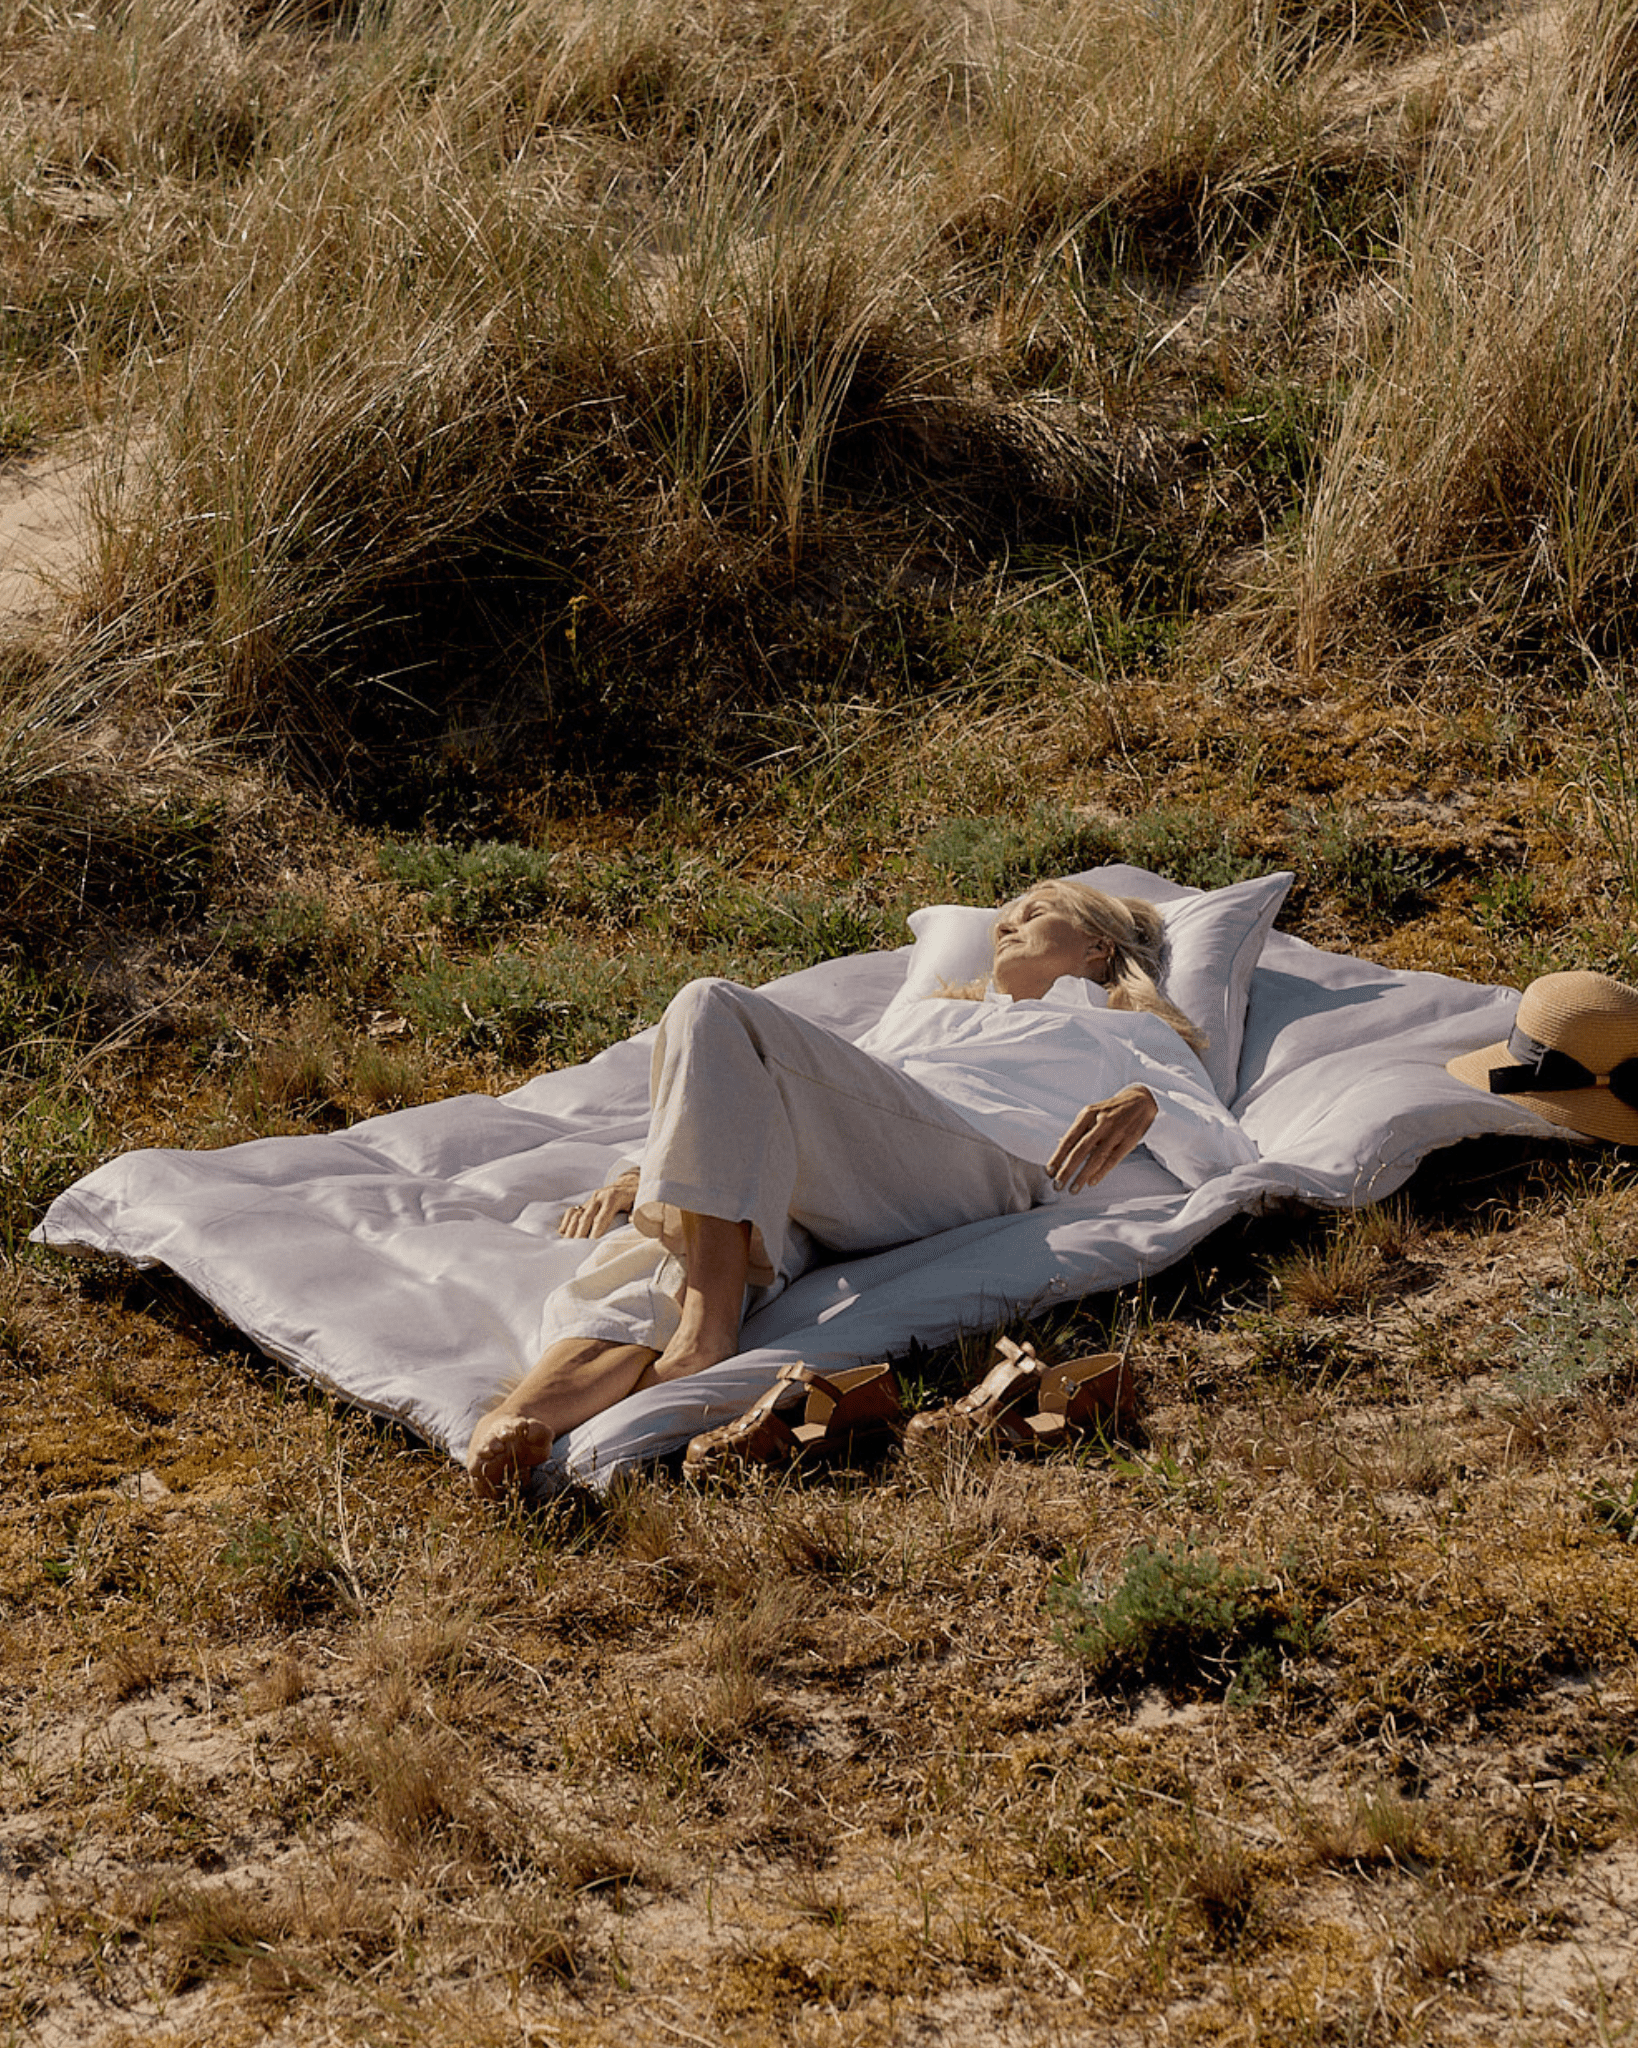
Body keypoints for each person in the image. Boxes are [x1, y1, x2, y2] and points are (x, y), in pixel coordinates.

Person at [466, 880, 1256, 1496]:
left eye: (1036, 909)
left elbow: (1226, 1152)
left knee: (711, 1003)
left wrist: (1145, 1104)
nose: (1004, 924)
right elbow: (773, 1087)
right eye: (1001, 916)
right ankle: (521, 1419)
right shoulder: (926, 1017)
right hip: (862, 1154)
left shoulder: (1125, 1030)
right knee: (665, 1245)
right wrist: (657, 1173)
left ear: (1095, 946)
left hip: (973, 1153)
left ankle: (705, 1337)